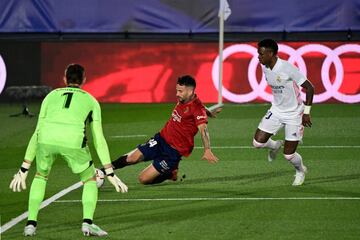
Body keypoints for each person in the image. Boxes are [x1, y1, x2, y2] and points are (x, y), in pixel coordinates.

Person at [9, 64, 128, 237]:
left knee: (41, 176)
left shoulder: (50, 96)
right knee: (90, 179)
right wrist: (109, 172)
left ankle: (30, 225)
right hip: (72, 141)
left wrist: (24, 167)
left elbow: (37, 132)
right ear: (84, 80)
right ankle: (88, 224)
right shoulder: (91, 101)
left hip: (46, 140)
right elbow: (98, 138)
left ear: (65, 79)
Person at [103, 75, 219, 185]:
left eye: (180, 91)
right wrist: (209, 112)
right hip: (161, 139)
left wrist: (207, 150)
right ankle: (103, 171)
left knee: (143, 179)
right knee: (133, 158)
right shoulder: (186, 99)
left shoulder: (197, 109)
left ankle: (170, 173)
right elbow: (201, 106)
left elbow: (204, 129)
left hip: (173, 153)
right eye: (177, 90)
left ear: (190, 91)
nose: (177, 94)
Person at [252, 39, 314, 186]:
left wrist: (306, 112)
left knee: (289, 155)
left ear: (271, 53)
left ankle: (300, 170)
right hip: (277, 110)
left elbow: (310, 88)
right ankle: (274, 146)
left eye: (261, 54)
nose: (258, 57)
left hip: (294, 114)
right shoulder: (265, 67)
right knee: (257, 143)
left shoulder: (287, 68)